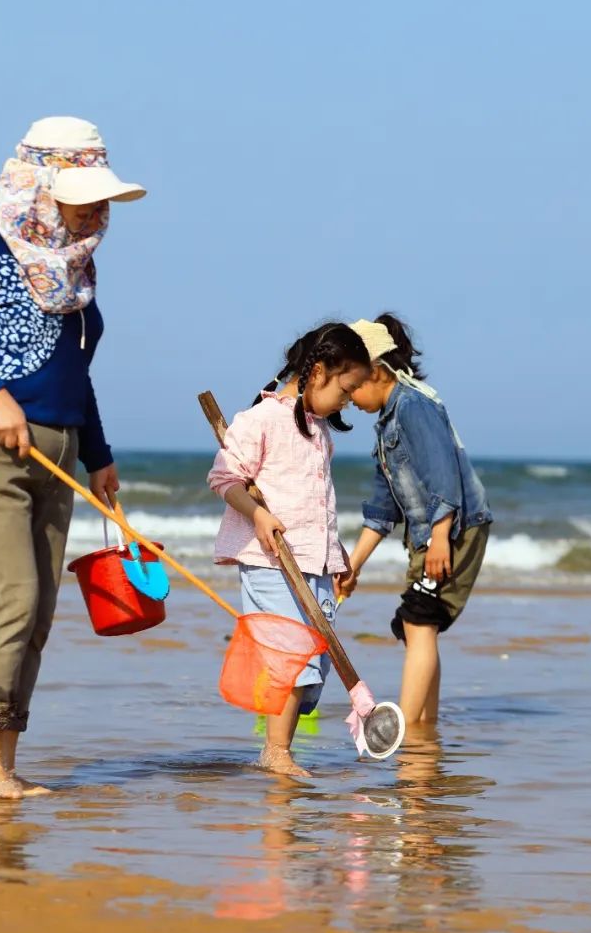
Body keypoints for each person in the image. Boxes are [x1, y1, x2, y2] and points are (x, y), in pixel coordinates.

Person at [0, 116, 145, 798]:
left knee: (39, 607)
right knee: (10, 596)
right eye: (86, 196)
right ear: (42, 184)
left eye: (102, 197)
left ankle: (4, 764)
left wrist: (97, 456)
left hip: (58, 452)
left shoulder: (74, 267)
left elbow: (76, 374)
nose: (99, 210)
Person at [208, 322, 372, 778]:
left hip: (313, 564)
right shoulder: (261, 420)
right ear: (317, 371)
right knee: (290, 659)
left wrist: (335, 556)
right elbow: (224, 478)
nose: (349, 400)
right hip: (270, 561)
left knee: (315, 664)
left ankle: (280, 747)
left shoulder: (319, 431)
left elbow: (319, 505)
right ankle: (276, 753)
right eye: (346, 389)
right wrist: (257, 515)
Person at [338, 315, 491, 727]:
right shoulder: (386, 425)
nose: (349, 396)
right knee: (418, 625)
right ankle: (424, 727)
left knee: (418, 620)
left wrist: (441, 536)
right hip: (429, 534)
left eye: (352, 384)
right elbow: (383, 506)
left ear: (376, 372)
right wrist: (354, 564)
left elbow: (444, 473)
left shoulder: (413, 406)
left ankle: (405, 731)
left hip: (455, 527)